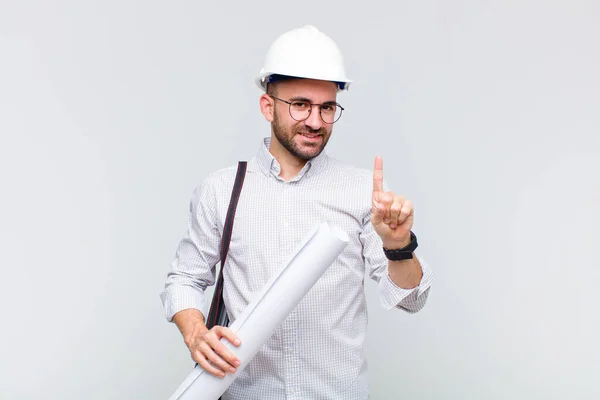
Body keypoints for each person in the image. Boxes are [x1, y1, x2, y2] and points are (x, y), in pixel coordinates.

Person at [160, 25, 433, 400]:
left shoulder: (361, 191)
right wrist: (196, 333)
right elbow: (184, 280)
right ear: (268, 106)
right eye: (300, 104)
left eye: (327, 107)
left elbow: (411, 299)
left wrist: (399, 246)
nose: (316, 121)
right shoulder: (222, 190)